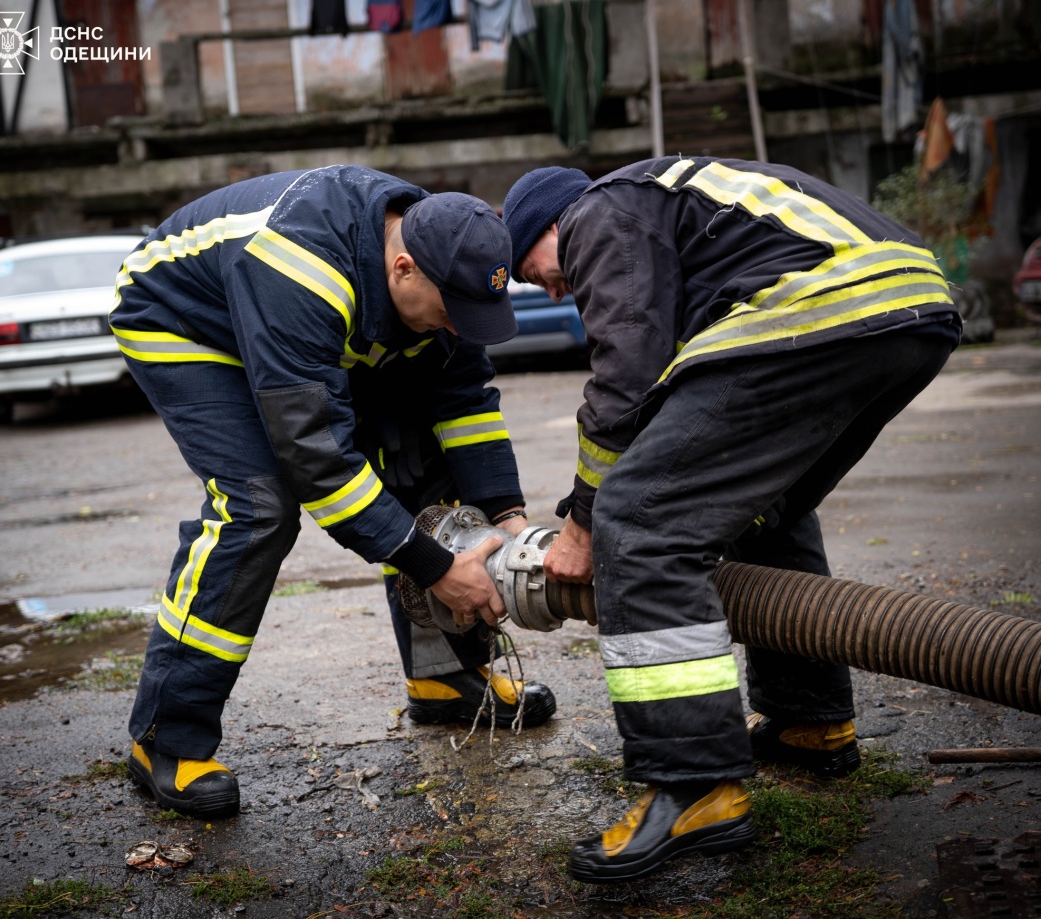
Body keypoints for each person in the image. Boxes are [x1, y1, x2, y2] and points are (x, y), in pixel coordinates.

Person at [502, 156, 961, 883]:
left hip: (823, 305)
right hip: (910, 306)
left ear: (551, 222)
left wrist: (584, 524)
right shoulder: (665, 208)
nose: (553, 290)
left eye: (539, 273)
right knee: (756, 508)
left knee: (639, 522)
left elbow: (626, 374)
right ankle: (809, 718)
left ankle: (693, 784)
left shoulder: (599, 210)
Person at [110, 166, 556, 819]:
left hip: (304, 324)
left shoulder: (449, 255)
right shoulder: (302, 270)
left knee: (420, 468)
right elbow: (318, 460)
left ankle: (443, 677)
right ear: (402, 269)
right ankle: (165, 738)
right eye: (451, 316)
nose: (459, 330)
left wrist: (507, 518)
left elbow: (464, 403)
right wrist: (435, 568)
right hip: (187, 318)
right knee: (258, 508)